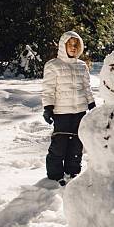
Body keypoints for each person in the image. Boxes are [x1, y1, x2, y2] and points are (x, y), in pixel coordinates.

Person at [41, 31, 95, 186]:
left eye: (76, 44)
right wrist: (48, 108)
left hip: (79, 111)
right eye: (70, 44)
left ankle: (73, 171)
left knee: (77, 143)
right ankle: (54, 174)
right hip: (62, 112)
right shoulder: (53, 65)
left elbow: (87, 88)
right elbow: (48, 89)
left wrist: (92, 105)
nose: (73, 47)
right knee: (60, 144)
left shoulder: (82, 66)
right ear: (63, 46)